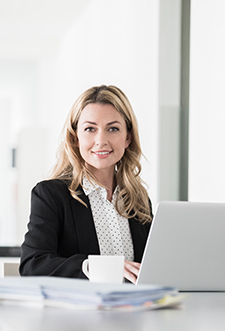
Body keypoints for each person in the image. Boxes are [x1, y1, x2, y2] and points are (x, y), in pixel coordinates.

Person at [19, 85, 153, 284]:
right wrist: (97, 267)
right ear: (76, 138)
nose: (101, 140)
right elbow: (33, 264)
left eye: (113, 129)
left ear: (128, 138)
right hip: (79, 314)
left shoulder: (138, 199)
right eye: (90, 129)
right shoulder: (50, 195)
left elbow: (152, 267)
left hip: (137, 311)